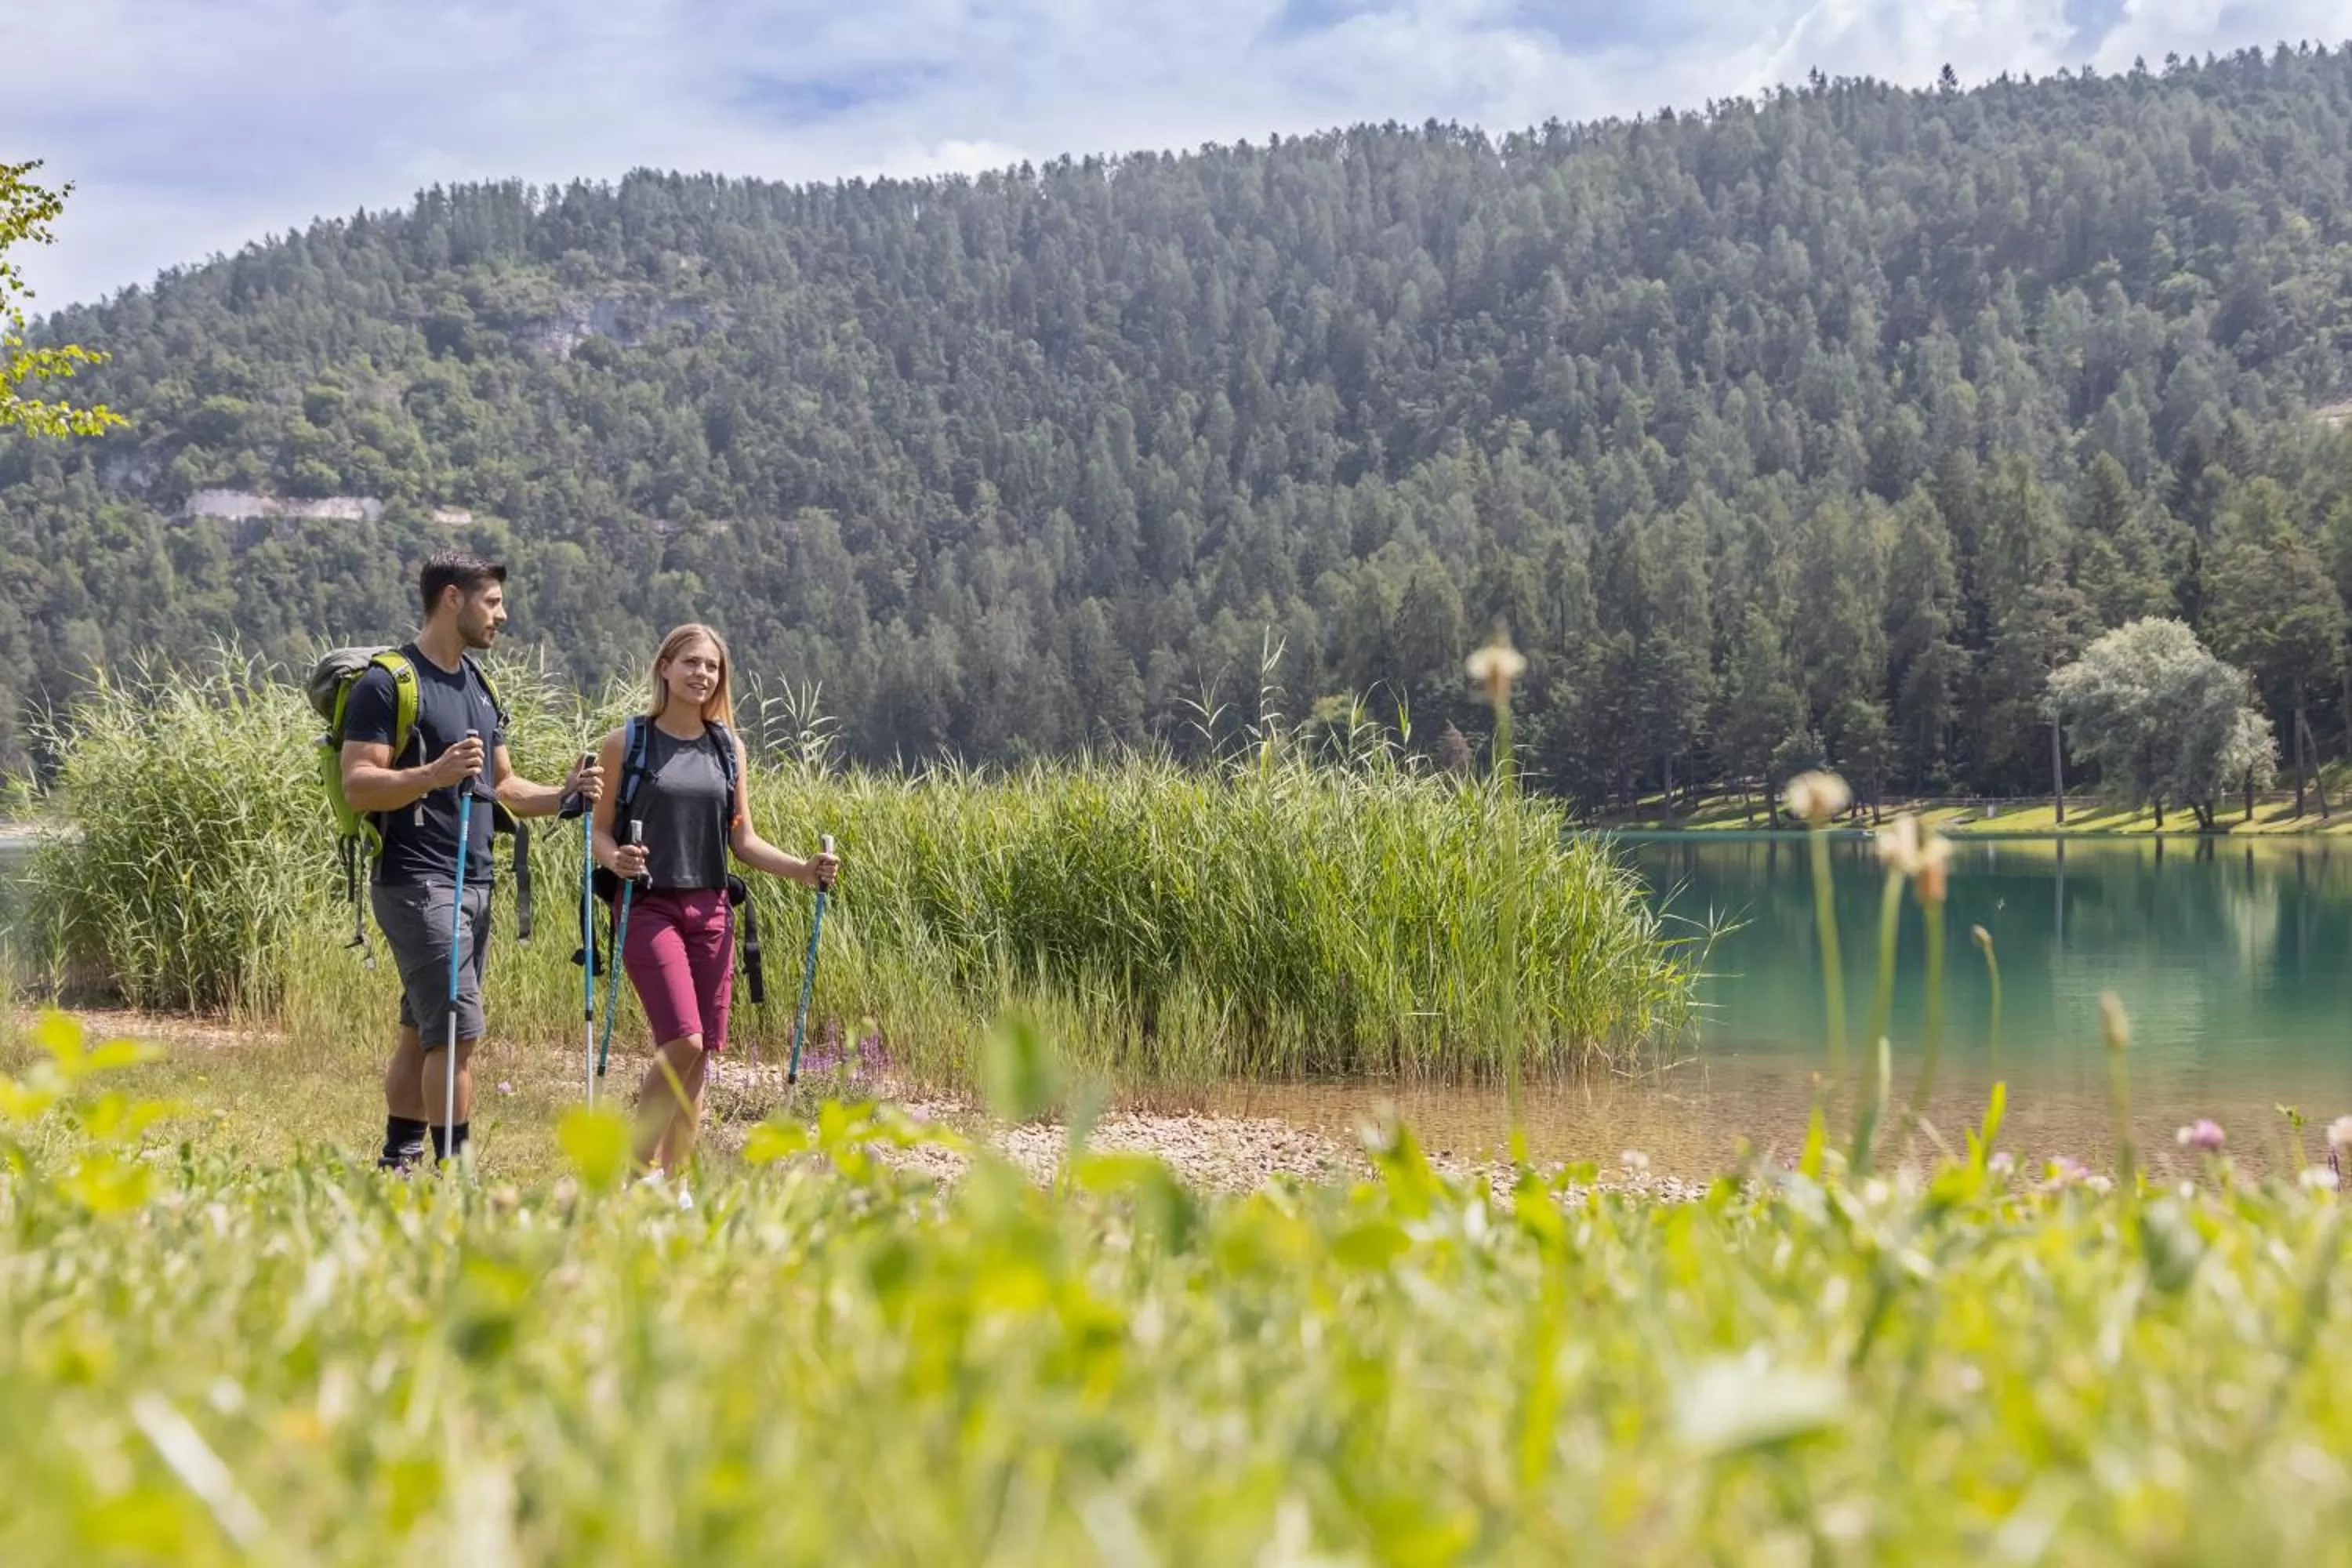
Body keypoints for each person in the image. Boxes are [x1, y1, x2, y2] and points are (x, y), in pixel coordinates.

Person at [340, 550, 601, 1170]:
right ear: (452, 598)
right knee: (458, 1034)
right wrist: (433, 773)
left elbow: (503, 787)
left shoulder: (479, 688)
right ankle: (455, 1176)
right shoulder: (389, 681)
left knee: (423, 1030)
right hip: (417, 881)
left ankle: (397, 1163)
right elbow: (357, 783)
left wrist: (563, 795)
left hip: (476, 879)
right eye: (493, 602)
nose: (502, 616)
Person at [593, 622, 838, 1192]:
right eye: (691, 664)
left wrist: (803, 871)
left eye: (711, 667)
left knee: (701, 1055)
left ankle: (678, 1187)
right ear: (665, 668)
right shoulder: (626, 743)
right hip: (646, 906)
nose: (701, 675)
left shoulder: (728, 747)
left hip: (713, 910)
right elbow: (598, 833)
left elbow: (743, 841)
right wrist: (616, 861)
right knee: (684, 1041)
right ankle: (632, 1174)